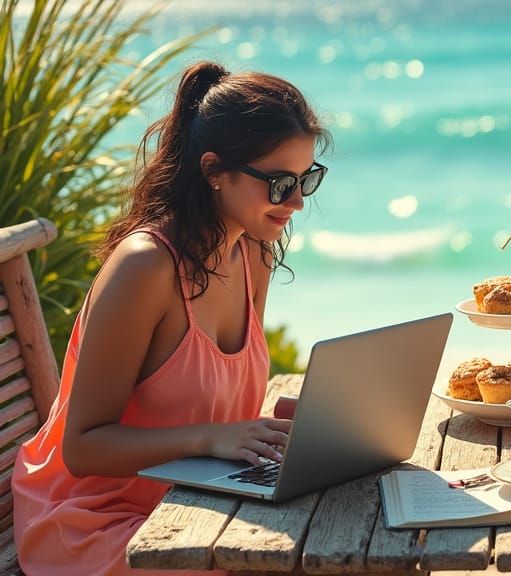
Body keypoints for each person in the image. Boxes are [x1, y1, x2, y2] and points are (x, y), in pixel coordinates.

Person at [12, 61, 329, 575]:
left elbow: (217, 402)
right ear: (213, 171)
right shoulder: (146, 266)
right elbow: (83, 447)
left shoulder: (253, 253)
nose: (294, 201)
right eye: (277, 183)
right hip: (93, 521)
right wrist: (213, 438)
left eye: (305, 179)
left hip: (190, 501)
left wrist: (316, 421)